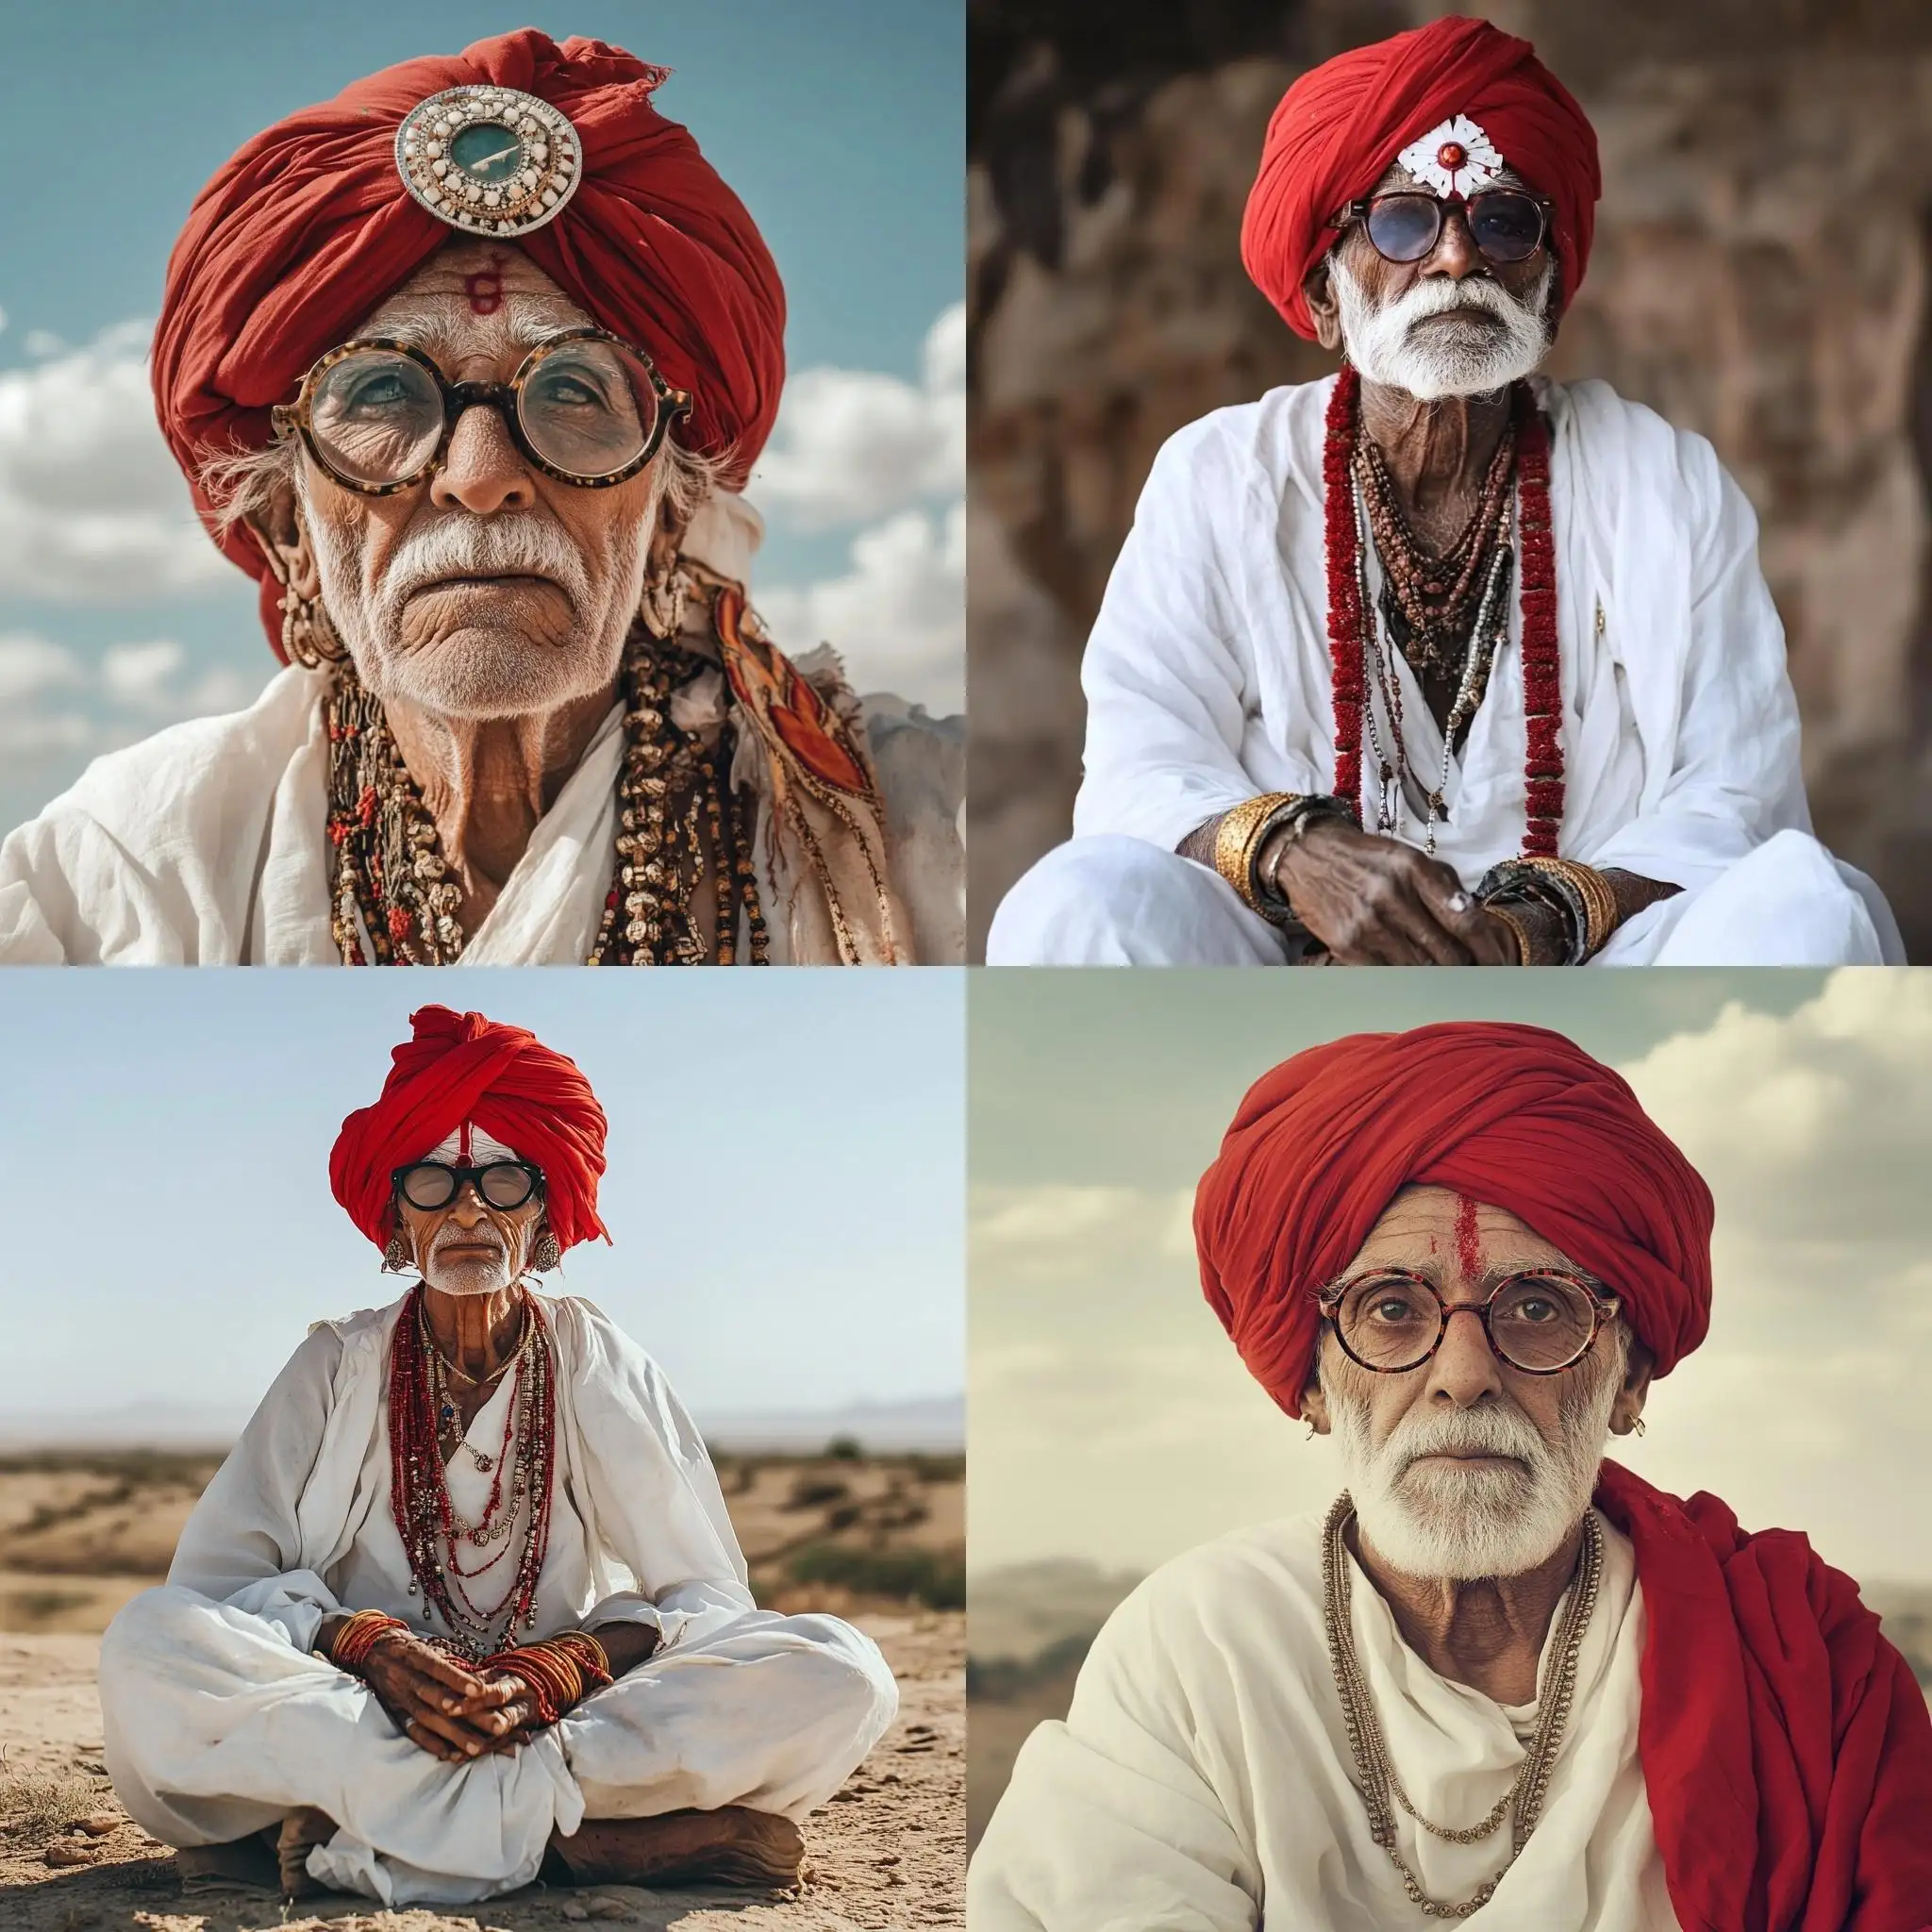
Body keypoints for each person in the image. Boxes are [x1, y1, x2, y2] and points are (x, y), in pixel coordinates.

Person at [0, 31, 958, 965]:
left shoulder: (935, 829)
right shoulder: (113, 884)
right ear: (287, 528)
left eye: (575, 389)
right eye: (381, 390)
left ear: (667, 515)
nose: (478, 473)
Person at [970, 1023, 1932, 1928]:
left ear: (1627, 1380)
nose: (1463, 1373)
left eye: (1535, 1308)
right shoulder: (1206, 1642)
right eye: (1390, 1308)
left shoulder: (1805, 1664)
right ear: (1309, 1381)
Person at [987, 17, 1900, 967]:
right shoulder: (1217, 473)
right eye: (1402, 219)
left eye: (1501, 220)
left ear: (1546, 283)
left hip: (1594, 964)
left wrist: (1533, 922)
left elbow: (1734, 793)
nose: (1457, 257)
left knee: (1808, 905)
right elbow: (1140, 765)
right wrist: (1297, 853)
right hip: (1290, 964)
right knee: (1075, 904)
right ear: (1322, 297)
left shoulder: (1663, 480)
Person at [99, 1006, 898, 1907]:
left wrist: (567, 1666)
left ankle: (382, 1829)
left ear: (547, 1208)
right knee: (147, 1643)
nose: (470, 1208)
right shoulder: (337, 1362)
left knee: (842, 1670)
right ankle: (575, 1844)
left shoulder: (595, 1358)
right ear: (398, 1213)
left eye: (505, 1180)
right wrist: (367, 1646)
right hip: (364, 1703)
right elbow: (213, 1587)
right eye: (434, 1183)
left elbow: (704, 1595)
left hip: (558, 1716)